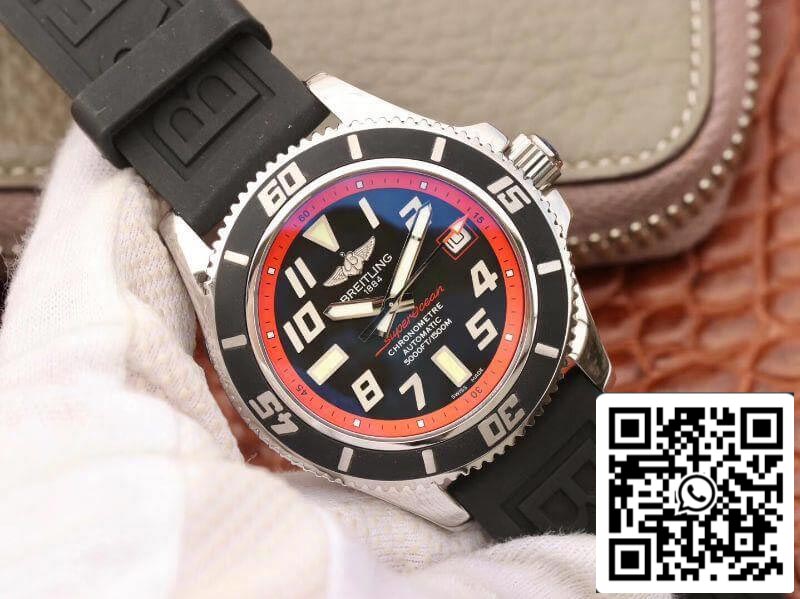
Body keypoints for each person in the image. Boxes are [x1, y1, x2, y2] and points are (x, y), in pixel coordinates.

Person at [0, 127, 666, 598]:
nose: (394, 307)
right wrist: (699, 538)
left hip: (503, 408)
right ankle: (720, 523)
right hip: (469, 453)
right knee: (717, 512)